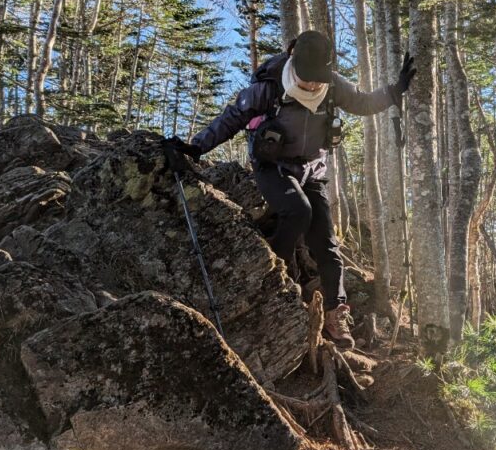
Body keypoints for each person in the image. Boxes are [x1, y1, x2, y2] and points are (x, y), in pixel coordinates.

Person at [164, 29, 415, 349]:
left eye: (317, 77)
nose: (312, 84)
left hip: (312, 171)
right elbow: (230, 119)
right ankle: (275, 273)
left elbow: (363, 103)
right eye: (307, 77)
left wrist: (396, 90)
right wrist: (195, 148)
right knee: (298, 211)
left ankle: (336, 315)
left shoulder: (332, 85)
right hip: (273, 167)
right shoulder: (267, 88)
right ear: (294, 64)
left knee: (327, 246)